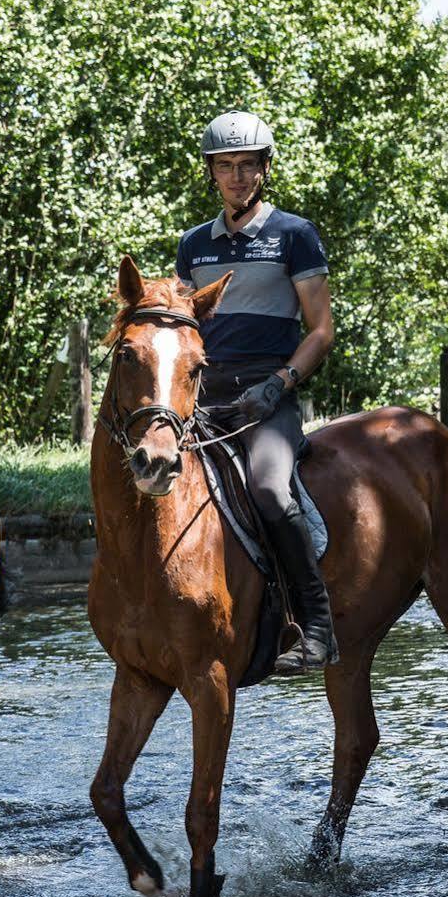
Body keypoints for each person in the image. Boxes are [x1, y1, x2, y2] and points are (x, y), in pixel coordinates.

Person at [175, 112, 338, 673]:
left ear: (264, 170)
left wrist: (279, 385)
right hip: (208, 399)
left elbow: (321, 330)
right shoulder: (193, 245)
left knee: (269, 491)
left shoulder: (293, 235)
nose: (237, 177)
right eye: (226, 167)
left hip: (269, 397)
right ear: (212, 173)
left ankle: (317, 626)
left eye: (247, 166)